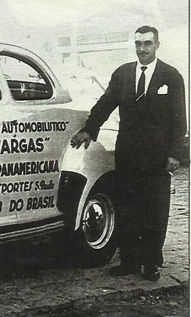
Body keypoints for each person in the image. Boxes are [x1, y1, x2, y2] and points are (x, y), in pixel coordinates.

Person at [70, 25, 186, 281]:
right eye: (138, 44)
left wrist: (175, 154)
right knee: (127, 207)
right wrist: (90, 129)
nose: (142, 49)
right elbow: (105, 103)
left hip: (157, 156)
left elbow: (180, 119)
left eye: (147, 43)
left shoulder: (171, 76)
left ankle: (151, 262)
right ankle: (130, 260)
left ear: (157, 45)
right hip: (128, 153)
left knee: (155, 209)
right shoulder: (123, 74)